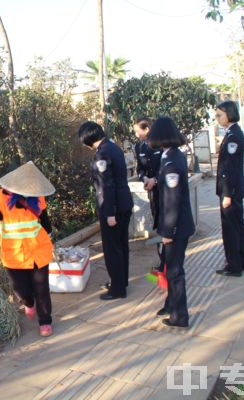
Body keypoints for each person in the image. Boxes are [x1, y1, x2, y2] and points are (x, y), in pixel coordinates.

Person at [0, 161, 56, 337]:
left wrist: (50, 233)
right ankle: (28, 303)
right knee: (22, 290)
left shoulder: (37, 196)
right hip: (14, 255)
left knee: (42, 289)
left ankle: (45, 320)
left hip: (38, 251)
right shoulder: (0, 200)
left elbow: (44, 219)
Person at [78, 121, 134, 300]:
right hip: (123, 204)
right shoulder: (113, 147)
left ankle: (117, 289)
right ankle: (121, 281)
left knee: (112, 249)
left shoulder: (102, 154)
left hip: (113, 208)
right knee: (122, 246)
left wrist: (109, 213)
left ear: (88, 138)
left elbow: (105, 186)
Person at [148, 117, 194, 328]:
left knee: (175, 273)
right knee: (172, 269)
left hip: (176, 227)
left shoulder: (172, 162)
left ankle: (179, 316)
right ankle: (172, 306)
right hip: (176, 225)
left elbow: (172, 201)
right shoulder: (171, 156)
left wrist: (169, 231)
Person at [214, 101, 244, 277]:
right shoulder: (232, 133)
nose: (217, 118)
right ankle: (243, 261)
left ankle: (234, 266)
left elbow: (231, 168)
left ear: (229, 114)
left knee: (231, 229)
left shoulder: (233, 135)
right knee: (238, 226)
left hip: (231, 191)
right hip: (233, 189)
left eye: (219, 115)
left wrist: (227, 193)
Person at [133, 117, 163, 272]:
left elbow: (166, 168)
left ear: (147, 130)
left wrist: (156, 180)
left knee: (167, 226)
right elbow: (140, 169)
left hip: (165, 192)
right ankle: (162, 262)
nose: (137, 135)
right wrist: (145, 178)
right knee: (158, 224)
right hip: (152, 193)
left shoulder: (162, 144)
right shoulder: (139, 147)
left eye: (138, 132)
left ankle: (167, 263)